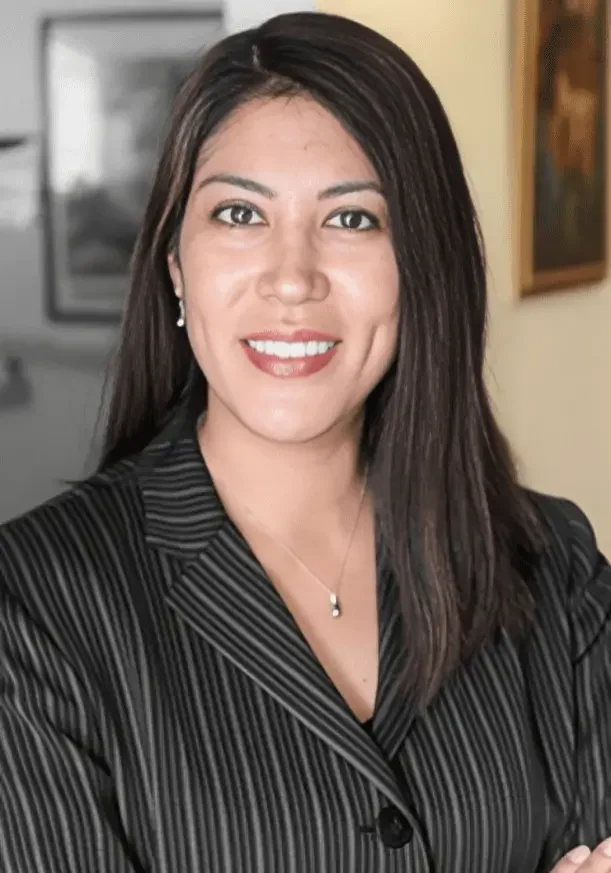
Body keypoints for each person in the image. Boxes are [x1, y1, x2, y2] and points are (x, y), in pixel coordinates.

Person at [0, 11, 609, 873]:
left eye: (353, 220)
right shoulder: (31, 608)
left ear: (422, 266)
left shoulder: (553, 569)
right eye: (240, 213)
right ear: (176, 263)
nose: (292, 277)